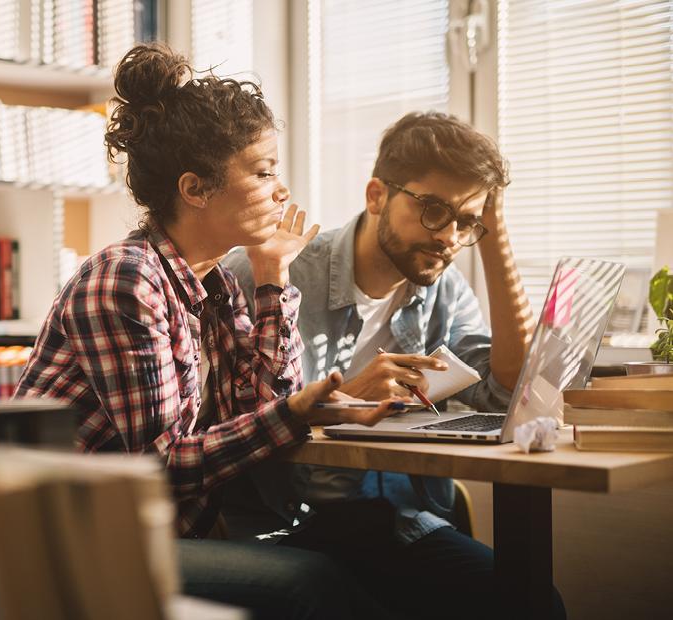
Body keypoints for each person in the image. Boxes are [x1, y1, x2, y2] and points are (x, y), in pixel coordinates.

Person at [14, 43, 403, 620]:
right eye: (264, 171)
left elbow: (259, 408)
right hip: (65, 542)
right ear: (195, 189)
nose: (282, 191)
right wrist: (295, 412)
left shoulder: (214, 286)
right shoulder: (127, 279)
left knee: (367, 558)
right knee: (310, 583)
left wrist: (272, 275)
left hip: (157, 534)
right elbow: (161, 466)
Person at [223, 111, 566, 619]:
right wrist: (345, 399)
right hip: (285, 523)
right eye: (433, 210)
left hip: (395, 520)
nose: (449, 236)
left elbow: (507, 390)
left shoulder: (443, 290)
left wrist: (495, 233)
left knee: (532, 601)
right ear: (377, 196)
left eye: (466, 221)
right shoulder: (270, 270)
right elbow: (226, 422)